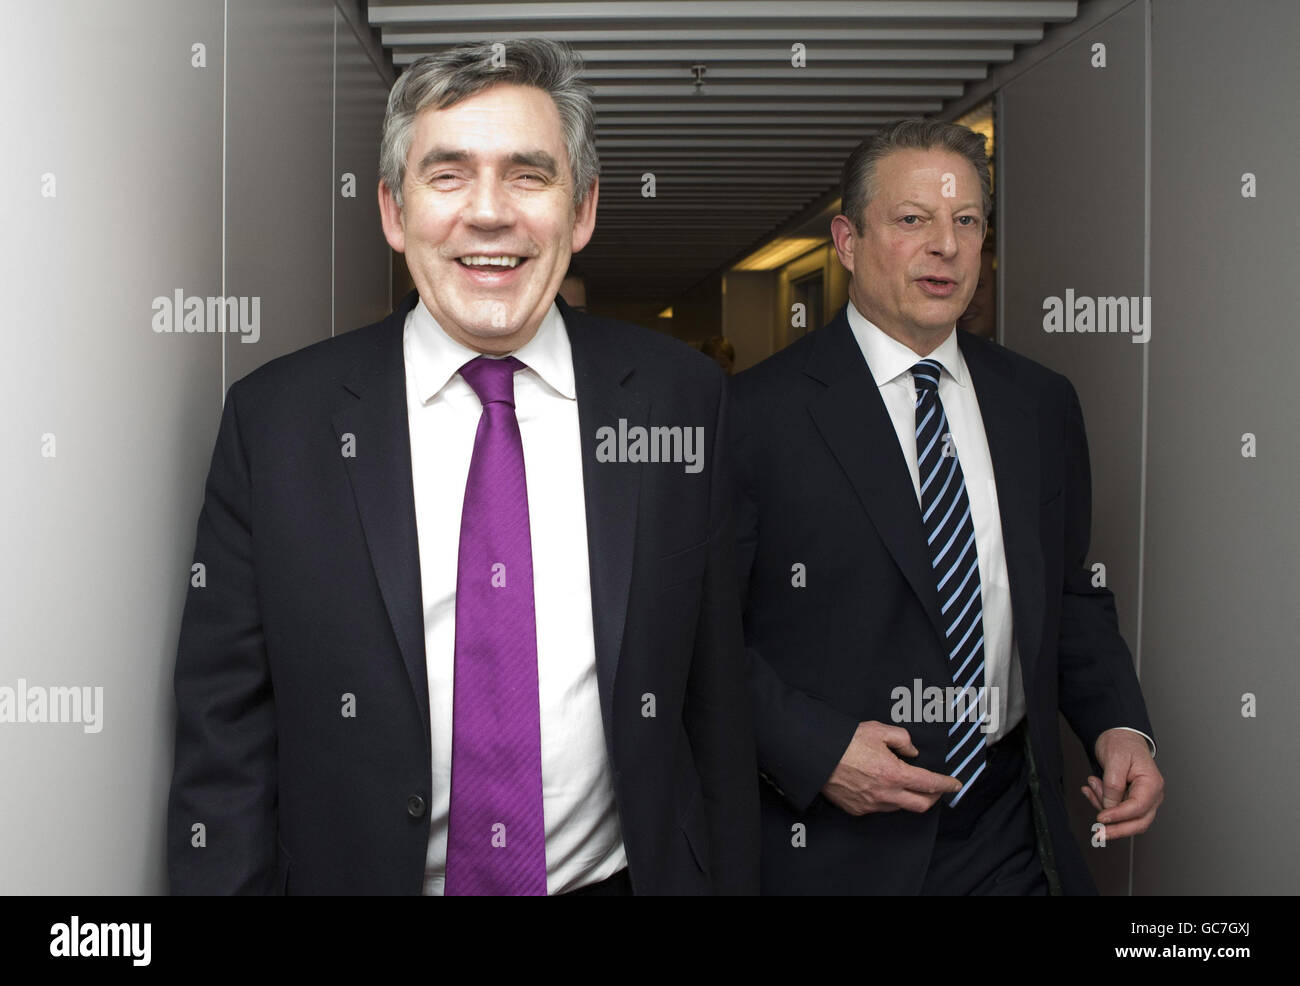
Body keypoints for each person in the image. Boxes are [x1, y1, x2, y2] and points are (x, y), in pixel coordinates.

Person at [167, 38, 758, 896]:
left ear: (583, 209)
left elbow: (718, 702)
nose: (489, 214)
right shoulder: (279, 423)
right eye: (447, 175)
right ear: (394, 212)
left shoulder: (678, 401)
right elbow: (224, 737)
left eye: (529, 175)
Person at [729, 119, 1163, 894]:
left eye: (966, 222)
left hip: (1009, 825)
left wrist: (1120, 726)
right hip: (835, 846)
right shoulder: (752, 414)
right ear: (848, 240)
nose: (947, 245)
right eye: (912, 220)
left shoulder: (1039, 403)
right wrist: (815, 750)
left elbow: (1066, 594)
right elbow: (697, 635)